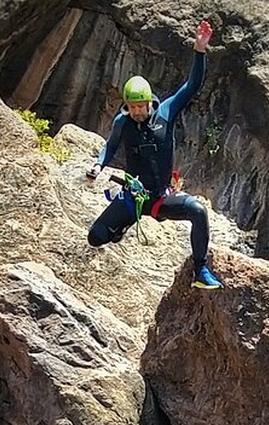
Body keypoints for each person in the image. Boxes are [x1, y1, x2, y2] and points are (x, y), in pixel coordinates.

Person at [85, 20, 223, 290]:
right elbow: (110, 147)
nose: (136, 111)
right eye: (132, 106)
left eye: (140, 106)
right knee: (96, 237)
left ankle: (200, 269)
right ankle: (119, 228)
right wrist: (98, 164)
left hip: (161, 198)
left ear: (149, 102)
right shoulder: (122, 123)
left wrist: (199, 50)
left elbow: (192, 85)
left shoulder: (167, 112)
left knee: (197, 211)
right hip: (133, 198)